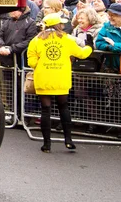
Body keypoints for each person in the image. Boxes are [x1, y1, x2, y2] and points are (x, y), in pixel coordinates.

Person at [27, 13, 93, 153]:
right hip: (61, 77)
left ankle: (47, 144)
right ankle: (68, 140)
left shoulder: (36, 40)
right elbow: (81, 54)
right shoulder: (67, 39)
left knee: (46, 110)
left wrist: (42, 62)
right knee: (63, 107)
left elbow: (31, 62)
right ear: (58, 25)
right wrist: (89, 46)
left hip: (43, 78)